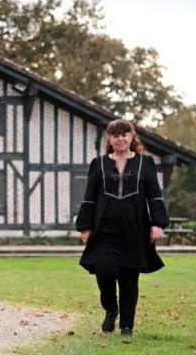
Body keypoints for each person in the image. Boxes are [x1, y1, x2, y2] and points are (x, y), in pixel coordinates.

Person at [75, 119, 169, 338]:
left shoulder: (145, 163)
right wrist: (85, 227)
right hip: (104, 228)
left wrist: (157, 223)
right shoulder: (97, 163)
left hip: (134, 228)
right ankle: (111, 308)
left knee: (129, 278)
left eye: (124, 134)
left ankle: (127, 325)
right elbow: (89, 197)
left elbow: (155, 194)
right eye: (115, 135)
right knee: (104, 270)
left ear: (131, 136)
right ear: (109, 139)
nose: (120, 138)